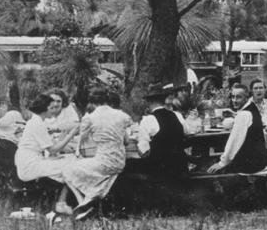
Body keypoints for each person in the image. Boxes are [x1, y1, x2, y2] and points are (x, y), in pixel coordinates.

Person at [62, 88, 129, 218]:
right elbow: (126, 141)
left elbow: (82, 141)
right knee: (98, 174)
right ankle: (88, 202)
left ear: (92, 102)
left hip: (103, 161)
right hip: (120, 161)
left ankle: (84, 201)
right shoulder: (120, 116)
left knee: (67, 170)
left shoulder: (90, 118)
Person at [14, 93, 78, 213]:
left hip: (32, 160)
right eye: (51, 108)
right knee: (71, 167)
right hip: (30, 165)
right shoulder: (37, 123)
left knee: (67, 162)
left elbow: (53, 147)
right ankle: (62, 203)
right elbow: (53, 150)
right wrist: (71, 134)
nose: (53, 111)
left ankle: (62, 201)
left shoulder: (37, 121)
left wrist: (65, 142)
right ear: (44, 109)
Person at [208, 84, 267, 174]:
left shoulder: (244, 114)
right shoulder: (252, 106)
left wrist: (222, 163)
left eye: (238, 97)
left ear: (246, 97)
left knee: (213, 166)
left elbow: (234, 142)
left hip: (251, 164)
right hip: (259, 160)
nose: (234, 100)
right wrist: (235, 115)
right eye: (233, 97)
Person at [132, 83, 188, 178]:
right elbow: (187, 132)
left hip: (160, 169)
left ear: (150, 102)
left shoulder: (148, 119)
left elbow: (143, 147)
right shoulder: (177, 115)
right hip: (180, 165)